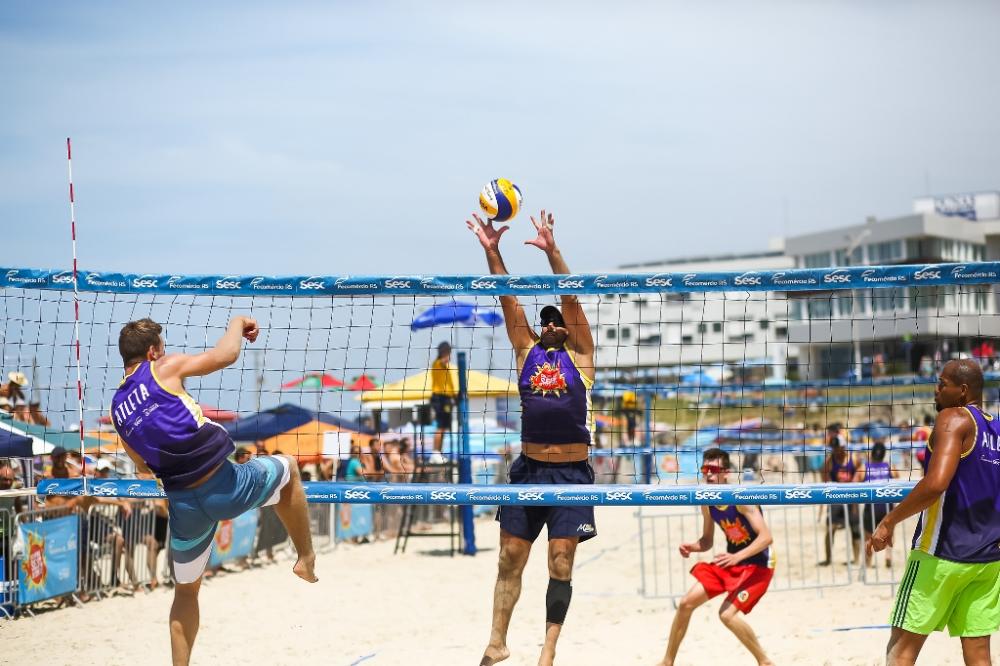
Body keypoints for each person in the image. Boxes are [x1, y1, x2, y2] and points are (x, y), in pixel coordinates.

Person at [110, 317, 317, 666]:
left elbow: (142, 465)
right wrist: (237, 323)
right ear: (151, 352)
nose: (165, 351)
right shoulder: (164, 367)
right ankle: (305, 558)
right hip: (226, 486)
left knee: (186, 592)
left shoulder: (117, 408)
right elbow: (226, 355)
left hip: (185, 508)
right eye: (161, 347)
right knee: (289, 469)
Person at [468, 209, 596, 666]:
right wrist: (493, 251)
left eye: (556, 319)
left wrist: (552, 250)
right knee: (508, 560)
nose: (550, 323)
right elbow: (508, 300)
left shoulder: (581, 353)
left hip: (571, 472)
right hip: (528, 468)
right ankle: (497, 642)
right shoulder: (527, 351)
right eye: (545, 321)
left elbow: (571, 296)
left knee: (560, 562)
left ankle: (548, 650)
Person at [868, 360, 1000, 665]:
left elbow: (936, 483)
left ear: (963, 391)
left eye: (942, 383)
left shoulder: (952, 418)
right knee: (979, 656)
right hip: (987, 560)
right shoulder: (995, 428)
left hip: (941, 555)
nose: (936, 389)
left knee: (901, 650)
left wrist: (889, 520)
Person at [656, 448, 774, 666]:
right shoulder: (707, 502)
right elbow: (707, 540)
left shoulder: (740, 498)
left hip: (759, 564)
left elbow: (766, 537)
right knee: (685, 604)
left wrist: (737, 557)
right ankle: (667, 662)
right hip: (733, 561)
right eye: (705, 469)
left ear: (726, 472)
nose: (709, 474)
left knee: (726, 614)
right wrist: (692, 546)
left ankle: (765, 662)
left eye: (714, 470)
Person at [819, 424, 861, 566]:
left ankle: (856, 559)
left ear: (844, 446)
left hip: (851, 497)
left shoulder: (853, 458)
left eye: (838, 448)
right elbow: (824, 481)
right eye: (834, 448)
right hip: (836, 498)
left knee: (855, 529)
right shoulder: (829, 462)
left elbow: (860, 472)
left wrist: (855, 484)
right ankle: (828, 559)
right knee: (830, 529)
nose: (836, 450)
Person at [854, 440, 898, 568]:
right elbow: (899, 484)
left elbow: (852, 486)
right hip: (887, 506)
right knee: (890, 533)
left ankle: (868, 562)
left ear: (872, 454)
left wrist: (854, 507)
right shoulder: (890, 467)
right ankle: (888, 556)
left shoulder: (864, 468)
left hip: (871, 507)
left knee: (869, 537)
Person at [429, 341, 456, 464]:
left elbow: (449, 385)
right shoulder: (437, 364)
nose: (450, 355)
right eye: (448, 352)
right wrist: (444, 356)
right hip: (439, 398)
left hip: (446, 399)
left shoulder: (446, 367)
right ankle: (435, 452)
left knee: (444, 427)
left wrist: (454, 396)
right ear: (443, 352)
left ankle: (438, 452)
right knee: (440, 427)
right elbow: (442, 361)